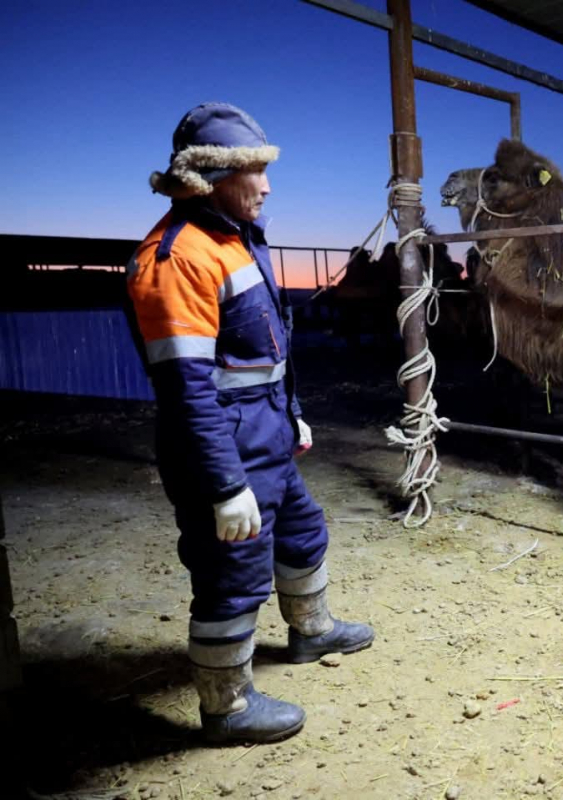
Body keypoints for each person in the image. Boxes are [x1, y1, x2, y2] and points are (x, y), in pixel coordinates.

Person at [126, 103, 374, 744]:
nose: (266, 186)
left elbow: (262, 351)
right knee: (231, 576)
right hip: (224, 447)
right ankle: (227, 706)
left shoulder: (234, 236)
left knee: (301, 532)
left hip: (263, 433)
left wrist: (289, 415)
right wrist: (224, 486)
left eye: (265, 172)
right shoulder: (176, 259)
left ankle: (311, 631)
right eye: (252, 174)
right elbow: (186, 391)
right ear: (206, 177)